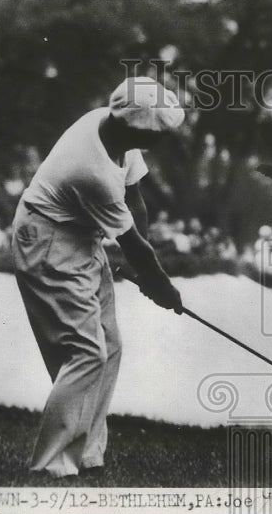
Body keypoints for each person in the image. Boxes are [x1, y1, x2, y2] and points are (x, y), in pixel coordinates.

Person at [11, 77, 185, 478]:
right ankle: (53, 464)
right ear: (132, 125)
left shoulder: (112, 126)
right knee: (86, 351)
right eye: (155, 132)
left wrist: (149, 275)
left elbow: (135, 200)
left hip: (78, 233)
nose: (160, 139)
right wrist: (162, 286)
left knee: (110, 344)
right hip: (46, 239)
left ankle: (88, 453)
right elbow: (133, 244)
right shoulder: (91, 169)